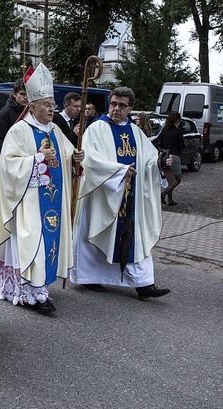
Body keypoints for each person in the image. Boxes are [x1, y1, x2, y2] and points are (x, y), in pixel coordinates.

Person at [0, 63, 85, 315]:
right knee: (31, 241)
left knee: (47, 242)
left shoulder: (55, 129)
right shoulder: (19, 130)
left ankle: (39, 287)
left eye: (52, 104)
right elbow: (8, 166)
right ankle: (27, 292)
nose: (51, 109)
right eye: (46, 104)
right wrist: (36, 159)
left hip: (52, 201)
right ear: (31, 106)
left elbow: (66, 156)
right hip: (27, 202)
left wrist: (75, 159)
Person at [70, 87, 170, 300]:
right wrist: (119, 171)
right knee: (96, 234)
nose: (116, 109)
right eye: (113, 104)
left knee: (135, 237)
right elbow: (89, 160)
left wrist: (160, 162)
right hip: (101, 194)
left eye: (122, 106)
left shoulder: (135, 132)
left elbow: (148, 159)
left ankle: (144, 284)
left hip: (130, 196)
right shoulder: (96, 128)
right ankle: (90, 277)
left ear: (130, 109)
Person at [0, 79, 28, 162]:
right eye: (22, 94)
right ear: (14, 94)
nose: (25, 97)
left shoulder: (29, 112)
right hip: (7, 161)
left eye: (27, 94)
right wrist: (14, 152)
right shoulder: (4, 113)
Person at [157, 111, 184, 206]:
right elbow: (181, 145)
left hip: (165, 156)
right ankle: (163, 194)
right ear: (177, 121)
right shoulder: (178, 131)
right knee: (177, 179)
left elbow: (160, 142)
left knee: (170, 179)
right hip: (174, 156)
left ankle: (170, 199)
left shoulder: (164, 129)